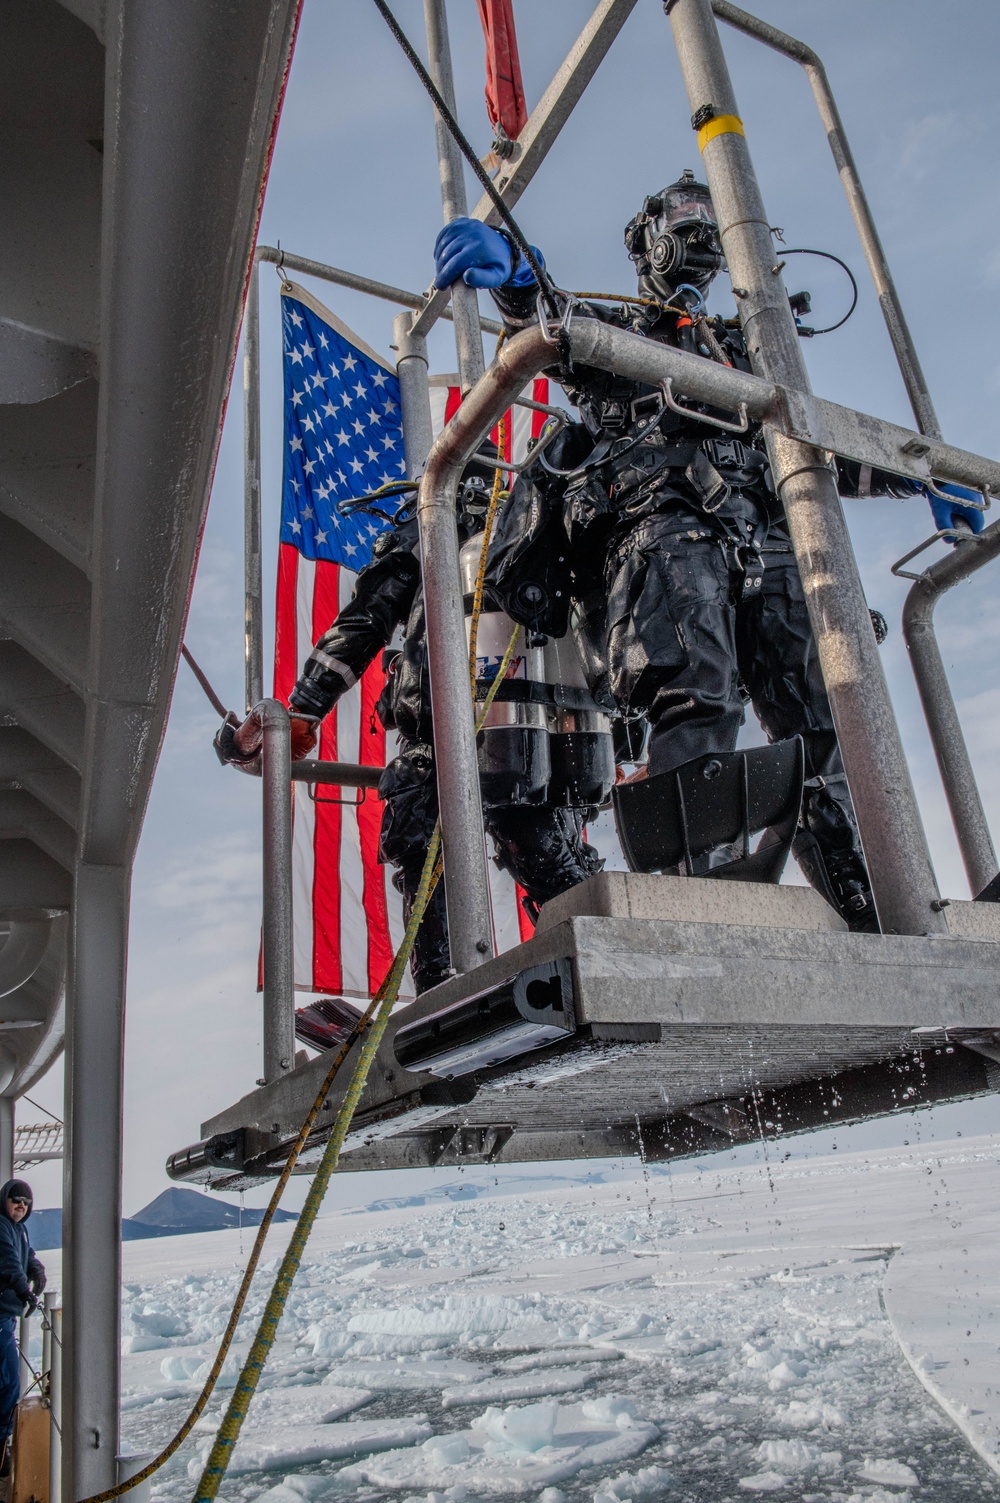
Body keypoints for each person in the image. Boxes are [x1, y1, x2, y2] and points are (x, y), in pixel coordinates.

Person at [433, 173, 985, 929]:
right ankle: (713, 907)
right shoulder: (621, 335)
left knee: (828, 718)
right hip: (666, 541)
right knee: (700, 705)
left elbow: (812, 448)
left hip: (772, 541)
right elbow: (557, 328)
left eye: (705, 217)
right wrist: (521, 281)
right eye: (681, 217)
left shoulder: (746, 355)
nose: (696, 231)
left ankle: (872, 906)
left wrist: (919, 479)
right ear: (647, 240)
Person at [0, 1179, 44, 1475]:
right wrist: (24, 1289)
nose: (21, 1206)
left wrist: (37, 1270)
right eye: (16, 1200)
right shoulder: (2, 1226)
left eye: (26, 1203)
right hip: (1, 1314)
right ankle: (1, 1448)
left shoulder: (19, 1228)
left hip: (6, 1315)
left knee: (7, 1382)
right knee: (8, 1383)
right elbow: (8, 1261)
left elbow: (25, 1257)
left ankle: (2, 1448)